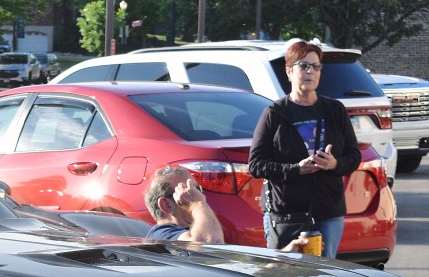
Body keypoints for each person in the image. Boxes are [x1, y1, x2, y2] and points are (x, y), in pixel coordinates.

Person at [247, 38, 361, 257]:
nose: (311, 71)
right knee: (285, 276)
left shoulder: (334, 110)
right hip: (287, 213)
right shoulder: (274, 113)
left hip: (327, 211)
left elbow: (354, 156)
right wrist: (296, 169)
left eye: (316, 66)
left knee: (325, 276)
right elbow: (256, 165)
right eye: (304, 66)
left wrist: (335, 164)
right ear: (289, 71)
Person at [144, 166, 225, 243]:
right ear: (166, 205)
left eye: (197, 189)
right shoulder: (162, 235)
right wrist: (197, 203)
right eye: (189, 190)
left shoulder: (186, 232)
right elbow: (210, 243)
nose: (198, 195)